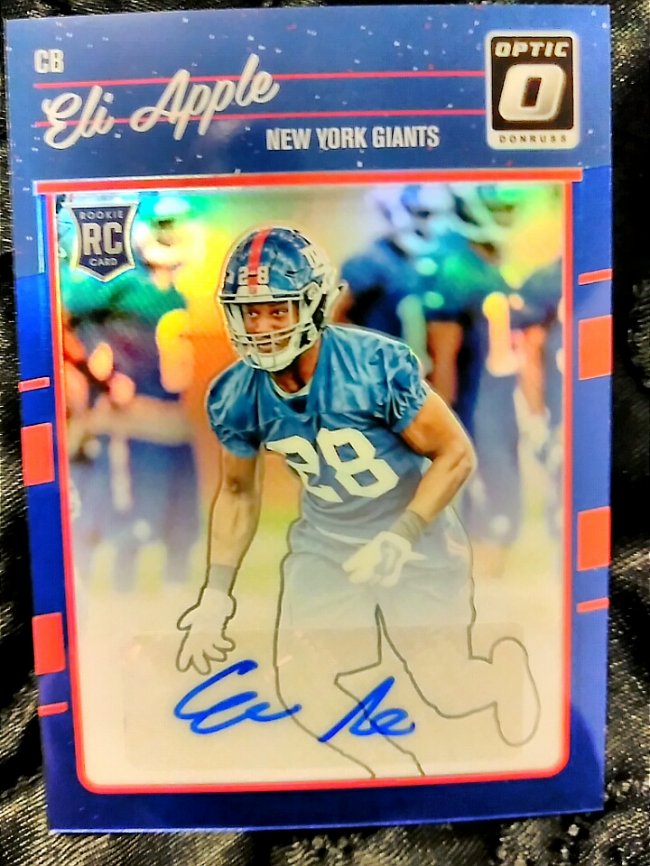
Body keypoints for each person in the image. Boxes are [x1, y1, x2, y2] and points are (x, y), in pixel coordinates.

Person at [176, 226, 539, 777]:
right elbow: (237, 493)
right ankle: (393, 780)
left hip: (416, 541)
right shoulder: (235, 393)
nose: (262, 326)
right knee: (302, 685)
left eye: (276, 309)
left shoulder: (373, 366)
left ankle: (501, 675)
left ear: (313, 305)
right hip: (327, 544)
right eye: (249, 312)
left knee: (447, 689)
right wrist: (214, 596)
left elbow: (454, 454)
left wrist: (402, 535)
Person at [334, 185, 456, 371]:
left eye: (442, 214)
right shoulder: (370, 263)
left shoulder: (431, 264)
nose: (435, 225)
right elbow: (336, 320)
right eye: (424, 214)